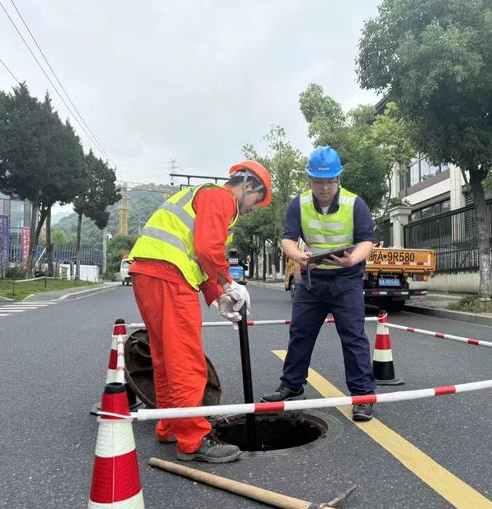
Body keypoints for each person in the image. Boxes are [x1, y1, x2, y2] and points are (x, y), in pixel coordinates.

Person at [127, 160, 271, 462]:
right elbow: (208, 250)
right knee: (186, 360)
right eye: (258, 200)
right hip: (169, 277)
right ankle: (194, 438)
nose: (254, 208)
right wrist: (229, 282)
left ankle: (170, 426)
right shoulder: (220, 198)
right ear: (247, 186)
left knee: (165, 358)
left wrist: (219, 297)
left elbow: (201, 258)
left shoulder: (201, 198)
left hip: (148, 273)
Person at [261, 146, 376, 421]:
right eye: (318, 181)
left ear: (338, 179)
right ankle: (292, 385)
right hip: (312, 279)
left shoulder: (354, 204)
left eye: (330, 181)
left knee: (353, 337)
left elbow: (366, 241)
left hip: (346, 279)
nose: (324, 188)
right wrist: (298, 255)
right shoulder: (297, 204)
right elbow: (287, 238)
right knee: (300, 333)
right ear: (310, 180)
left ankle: (362, 397)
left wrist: (352, 261)